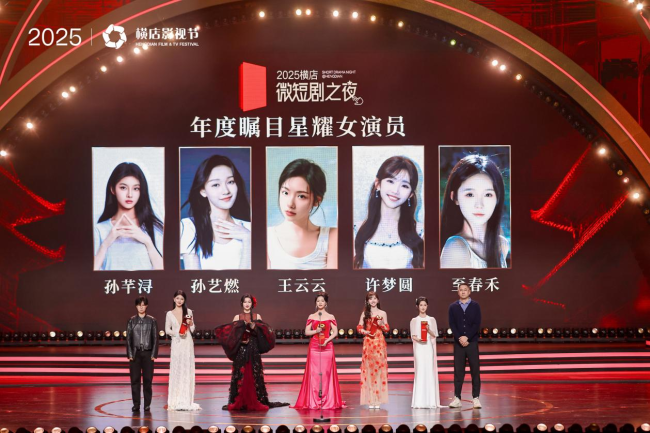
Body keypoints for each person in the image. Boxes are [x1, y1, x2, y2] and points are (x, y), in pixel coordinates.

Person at [214, 294, 289, 411]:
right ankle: (239, 400)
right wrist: (240, 336)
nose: (247, 304)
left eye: (249, 302)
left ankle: (256, 399)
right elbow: (232, 336)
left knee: (254, 373)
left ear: (252, 304)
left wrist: (255, 328)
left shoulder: (257, 316)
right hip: (241, 348)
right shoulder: (237, 317)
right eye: (245, 302)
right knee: (241, 373)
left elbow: (264, 332)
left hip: (253, 347)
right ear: (242, 303)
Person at [181, 154, 251, 270]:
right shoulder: (190, 227)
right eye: (216, 185)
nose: (226, 191)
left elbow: (250, 279)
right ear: (203, 191)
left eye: (230, 182)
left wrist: (248, 239)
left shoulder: (250, 229)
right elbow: (193, 278)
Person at [354, 156, 424, 269]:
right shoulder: (356, 230)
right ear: (378, 184)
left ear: (411, 194)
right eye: (390, 181)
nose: (395, 190)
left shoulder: (421, 232)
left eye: (404, 185)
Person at [440, 154, 509, 268]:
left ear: (497, 198)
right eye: (470, 194)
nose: (479, 205)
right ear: (455, 197)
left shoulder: (501, 245)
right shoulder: (456, 247)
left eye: (488, 194)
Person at [267, 159, 338, 269]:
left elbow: (335, 279)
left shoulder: (332, 236)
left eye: (301, 196)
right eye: (285, 193)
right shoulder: (267, 237)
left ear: (316, 201)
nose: (290, 204)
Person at [94, 162, 164, 270]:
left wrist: (147, 241)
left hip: (145, 282)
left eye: (136, 188)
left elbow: (164, 272)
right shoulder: (99, 230)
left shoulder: (154, 227)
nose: (130, 194)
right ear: (112, 189)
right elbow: (89, 273)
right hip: (112, 282)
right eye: (123, 188)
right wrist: (106, 243)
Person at [293, 292, 345, 409]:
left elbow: (335, 332)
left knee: (326, 373)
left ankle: (327, 399)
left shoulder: (331, 316)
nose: (320, 303)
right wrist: (315, 331)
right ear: (315, 303)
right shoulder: (311, 316)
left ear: (326, 303)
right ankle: (314, 400)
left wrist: (327, 340)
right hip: (314, 346)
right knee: (315, 373)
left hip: (327, 346)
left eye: (322, 301)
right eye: (318, 301)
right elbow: (307, 332)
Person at [165, 290, 201, 411]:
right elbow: (167, 330)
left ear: (184, 300)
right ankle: (175, 400)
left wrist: (190, 324)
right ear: (174, 299)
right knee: (177, 368)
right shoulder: (169, 314)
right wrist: (177, 334)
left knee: (186, 368)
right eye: (177, 298)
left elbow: (193, 329)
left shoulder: (188, 312)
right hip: (177, 342)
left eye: (182, 299)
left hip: (187, 342)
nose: (179, 301)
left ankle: (186, 399)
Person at [448, 284, 482, 409]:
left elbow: (477, 324)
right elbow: (452, 324)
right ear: (458, 292)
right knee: (458, 371)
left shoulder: (475, 306)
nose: (463, 292)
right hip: (458, 343)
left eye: (465, 290)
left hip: (472, 342)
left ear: (469, 291)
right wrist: (460, 338)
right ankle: (457, 398)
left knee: (475, 371)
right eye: (461, 290)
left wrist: (467, 337)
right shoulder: (453, 307)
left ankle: (476, 398)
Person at [357, 291, 390, 409]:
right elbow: (359, 326)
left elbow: (387, 328)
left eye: (375, 298)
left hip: (379, 343)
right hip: (369, 343)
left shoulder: (382, 313)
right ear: (367, 301)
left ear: (378, 300)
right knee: (370, 371)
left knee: (379, 370)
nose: (373, 300)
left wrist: (381, 324)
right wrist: (364, 331)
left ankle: (378, 399)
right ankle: (371, 399)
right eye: (370, 299)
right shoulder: (365, 314)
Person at [126, 295, 159, 412]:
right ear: (136, 306)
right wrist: (130, 354)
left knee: (147, 381)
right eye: (139, 305)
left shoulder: (152, 320)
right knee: (135, 380)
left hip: (148, 354)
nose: (141, 307)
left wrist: (154, 354)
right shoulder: (131, 320)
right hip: (135, 354)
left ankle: (147, 404)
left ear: (146, 306)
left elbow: (155, 338)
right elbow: (128, 339)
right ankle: (136, 404)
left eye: (143, 305)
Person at [410, 296, 440, 408]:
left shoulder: (431, 319)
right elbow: (413, 336)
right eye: (421, 305)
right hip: (419, 347)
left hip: (428, 347)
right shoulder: (414, 320)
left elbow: (434, 335)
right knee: (420, 371)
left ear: (427, 306)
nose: (423, 307)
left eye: (425, 305)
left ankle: (430, 401)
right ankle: (419, 401)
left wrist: (428, 330)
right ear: (417, 306)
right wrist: (419, 339)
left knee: (429, 371)